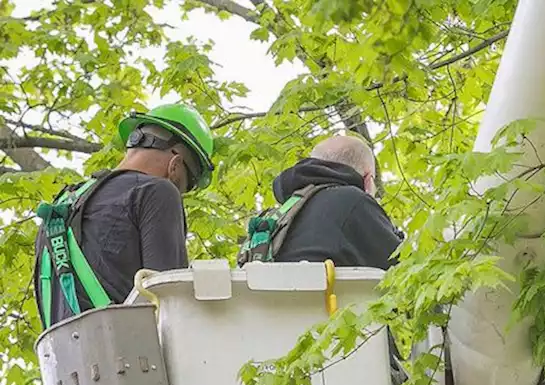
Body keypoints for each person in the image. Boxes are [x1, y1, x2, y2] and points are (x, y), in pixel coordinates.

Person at [31, 103, 215, 329]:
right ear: (174, 166)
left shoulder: (61, 208)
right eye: (182, 187)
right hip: (126, 356)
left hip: (65, 359)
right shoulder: (156, 192)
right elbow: (171, 300)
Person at [238, 134, 401, 269]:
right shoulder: (353, 201)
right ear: (367, 179)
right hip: (327, 306)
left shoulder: (280, 217)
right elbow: (403, 269)